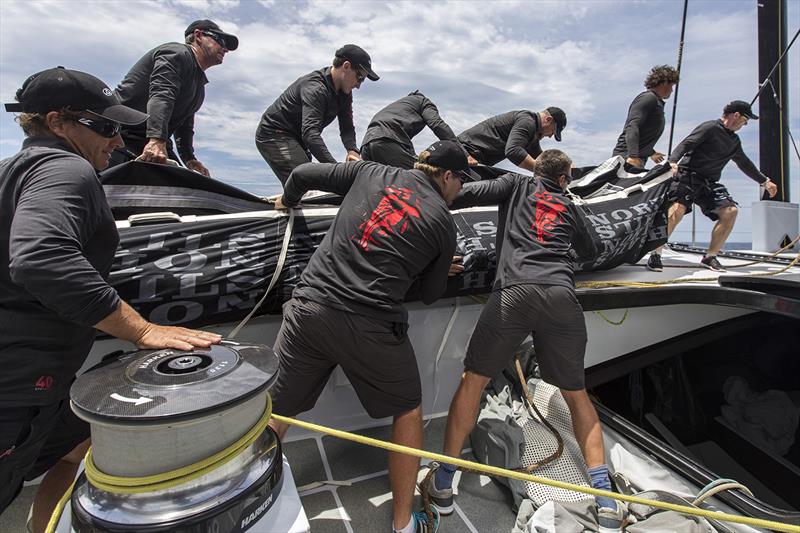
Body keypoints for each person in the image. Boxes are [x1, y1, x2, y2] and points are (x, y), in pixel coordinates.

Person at [0, 67, 222, 532]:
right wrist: (141, 329)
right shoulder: (65, 167)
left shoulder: (13, 169)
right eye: (105, 127)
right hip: (17, 386)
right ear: (58, 123)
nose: (118, 141)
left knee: (78, 442)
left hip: (40, 382)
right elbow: (42, 256)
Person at [267, 140, 476, 533]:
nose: (461, 189)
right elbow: (430, 295)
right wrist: (439, 266)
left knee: (278, 410)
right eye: (461, 180)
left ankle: (255, 496)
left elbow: (299, 175)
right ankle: (403, 523)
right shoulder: (442, 223)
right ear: (447, 176)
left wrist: (287, 202)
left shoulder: (370, 170)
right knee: (409, 409)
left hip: (310, 307)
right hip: (369, 325)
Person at [422, 149, 627, 530]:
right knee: (576, 395)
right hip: (561, 297)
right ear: (564, 178)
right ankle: (606, 502)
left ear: (538, 170)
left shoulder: (515, 183)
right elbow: (594, 250)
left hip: (513, 294)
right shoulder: (568, 203)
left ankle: (446, 482)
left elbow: (464, 194)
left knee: (473, 382)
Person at [646, 100, 778, 272]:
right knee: (677, 210)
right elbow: (687, 144)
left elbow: (744, 163)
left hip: (708, 183)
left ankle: (710, 257)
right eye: (745, 120)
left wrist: (764, 181)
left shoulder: (734, 141)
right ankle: (655, 254)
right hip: (687, 176)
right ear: (736, 115)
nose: (745, 125)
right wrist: (672, 162)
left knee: (730, 211)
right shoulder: (709, 127)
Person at [110, 19, 239, 176]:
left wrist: (189, 158)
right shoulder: (177, 54)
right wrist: (156, 140)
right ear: (198, 35)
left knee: (185, 183)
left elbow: (185, 122)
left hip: (147, 139)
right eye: (220, 40)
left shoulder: (198, 82)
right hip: (119, 134)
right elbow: (162, 95)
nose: (225, 48)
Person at [255, 44, 379, 185]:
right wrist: (337, 171)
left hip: (298, 139)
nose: (359, 85)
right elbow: (310, 134)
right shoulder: (316, 89)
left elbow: (347, 127)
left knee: (314, 180)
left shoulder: (345, 93)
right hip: (274, 134)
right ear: (346, 66)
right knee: (309, 181)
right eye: (360, 78)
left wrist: (352, 149)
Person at [360, 91, 457, 169]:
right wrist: (459, 151)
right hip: (387, 140)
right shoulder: (423, 101)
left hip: (366, 145)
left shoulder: (398, 106)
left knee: (381, 185)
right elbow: (437, 124)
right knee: (424, 176)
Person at [457, 108, 567, 172]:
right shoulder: (527, 121)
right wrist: (543, 173)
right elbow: (513, 151)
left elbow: (540, 157)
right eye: (553, 131)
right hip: (465, 153)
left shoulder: (532, 133)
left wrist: (563, 166)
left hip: (475, 159)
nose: (550, 136)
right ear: (548, 120)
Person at [613, 65, 680, 168]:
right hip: (626, 158)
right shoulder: (648, 98)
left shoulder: (656, 102)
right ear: (665, 82)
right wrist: (633, 156)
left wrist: (651, 152)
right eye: (671, 86)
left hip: (637, 158)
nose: (672, 91)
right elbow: (633, 125)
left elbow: (643, 135)